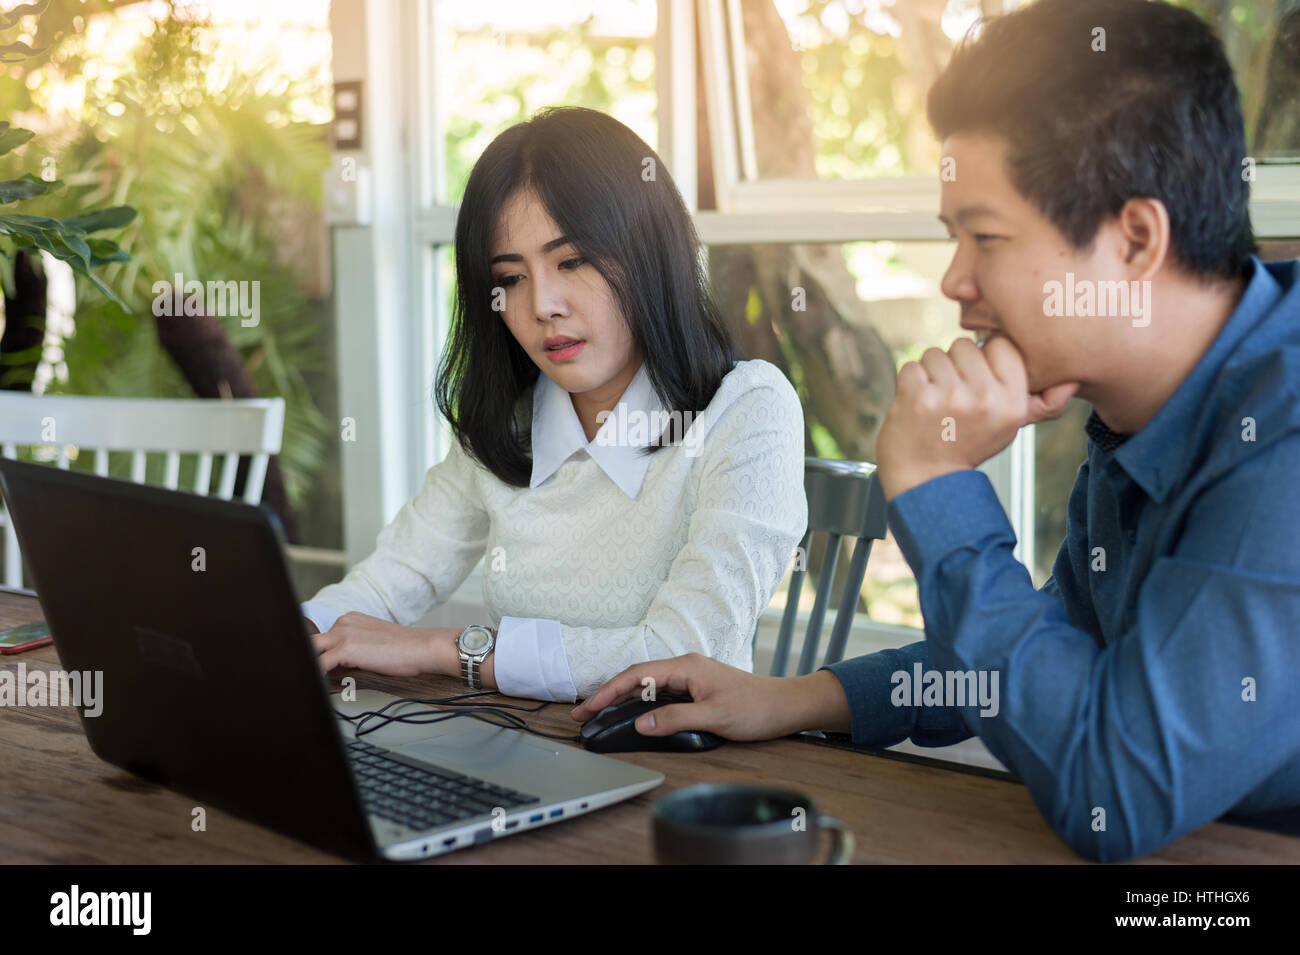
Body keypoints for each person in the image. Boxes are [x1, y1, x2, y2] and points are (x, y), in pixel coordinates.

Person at [572, 0, 1300, 863]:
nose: (956, 280)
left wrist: (935, 484)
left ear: (1135, 238)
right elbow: (1052, 655)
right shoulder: (1137, 411)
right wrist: (792, 698)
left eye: (984, 236)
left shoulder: (1279, 442)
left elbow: (1117, 788)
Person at [301, 106, 808, 703]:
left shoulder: (747, 408)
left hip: (678, 772)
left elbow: (681, 652)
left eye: (573, 261)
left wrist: (446, 650)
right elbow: (391, 582)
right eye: (511, 277)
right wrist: (301, 632)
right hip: (522, 749)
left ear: (649, 251)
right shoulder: (509, 424)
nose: (542, 304)